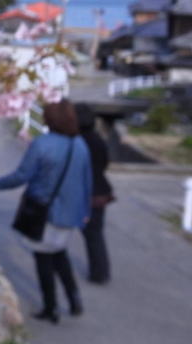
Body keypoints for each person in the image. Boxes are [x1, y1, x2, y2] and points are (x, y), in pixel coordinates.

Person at [0, 99, 92, 324]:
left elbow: (22, 175)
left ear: (49, 120)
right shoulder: (80, 145)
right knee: (59, 253)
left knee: (43, 259)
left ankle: (51, 308)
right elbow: (87, 182)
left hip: (45, 211)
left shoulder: (42, 144)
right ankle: (74, 300)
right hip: (70, 213)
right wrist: (85, 211)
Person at [74, 102, 114, 284]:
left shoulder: (77, 142)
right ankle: (101, 271)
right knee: (96, 233)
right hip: (101, 191)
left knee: (92, 234)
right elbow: (105, 163)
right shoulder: (98, 140)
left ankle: (99, 273)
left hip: (86, 193)